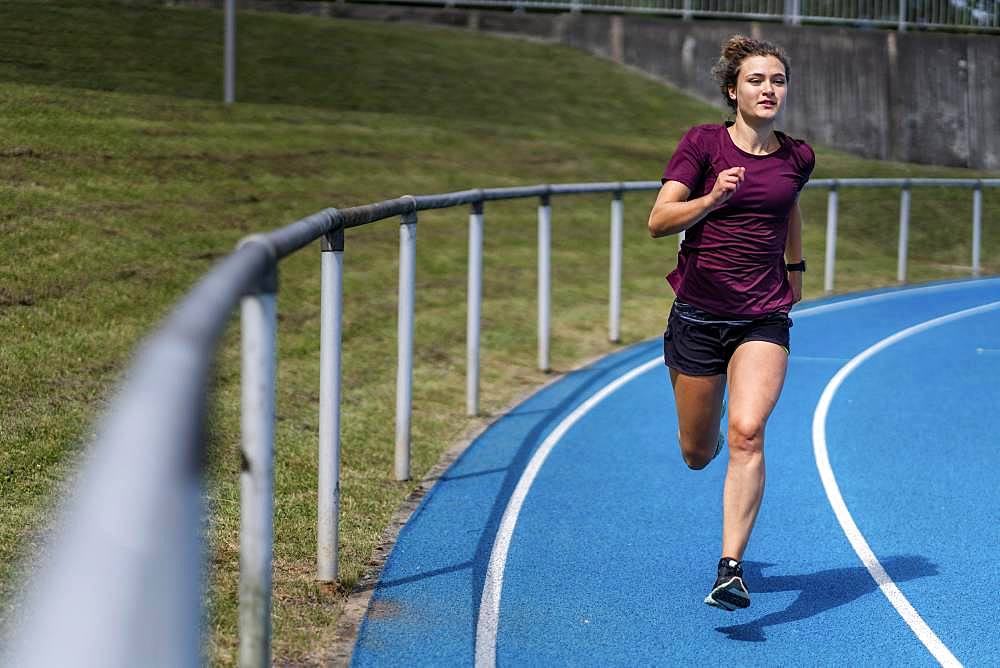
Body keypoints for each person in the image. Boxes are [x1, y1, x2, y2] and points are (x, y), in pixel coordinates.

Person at [646, 35, 814, 611]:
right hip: (697, 314)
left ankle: (730, 568)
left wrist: (795, 267)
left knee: (748, 432)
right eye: (756, 81)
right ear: (732, 90)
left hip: (763, 316)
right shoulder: (702, 145)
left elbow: (787, 204)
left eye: (777, 81)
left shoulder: (798, 156)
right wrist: (711, 199)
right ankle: (705, 429)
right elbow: (658, 221)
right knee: (698, 452)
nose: (769, 90)